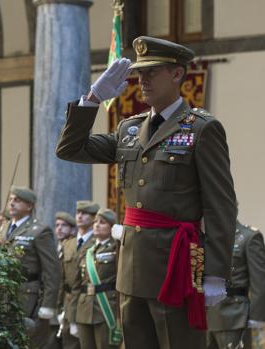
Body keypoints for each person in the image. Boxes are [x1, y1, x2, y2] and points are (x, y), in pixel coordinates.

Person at [56, 36, 237, 349]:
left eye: (152, 71)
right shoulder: (129, 128)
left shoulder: (200, 129)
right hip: (131, 268)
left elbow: (221, 205)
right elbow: (71, 149)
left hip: (176, 266)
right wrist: (93, 99)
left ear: (177, 74)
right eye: (140, 73)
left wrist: (216, 273)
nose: (142, 79)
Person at [0, 186, 61, 348]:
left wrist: (48, 304)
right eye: (11, 199)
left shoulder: (40, 231)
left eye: (17, 200)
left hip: (28, 296)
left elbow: (52, 270)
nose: (11, 203)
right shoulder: (3, 229)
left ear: (29, 206)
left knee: (27, 342)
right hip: (5, 294)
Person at [206, 221, 265, 349]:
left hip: (234, 315)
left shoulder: (249, 237)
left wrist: (256, 320)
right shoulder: (206, 236)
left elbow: (259, 283)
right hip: (207, 316)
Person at [76, 209, 121, 349]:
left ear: (112, 227)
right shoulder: (87, 250)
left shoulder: (116, 248)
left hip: (106, 307)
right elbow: (77, 283)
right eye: (95, 221)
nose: (97, 225)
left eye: (102, 222)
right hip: (84, 308)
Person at [60, 201, 100, 349]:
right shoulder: (68, 244)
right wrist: (58, 308)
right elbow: (62, 278)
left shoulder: (97, 243)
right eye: (78, 213)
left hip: (88, 303)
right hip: (68, 303)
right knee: (68, 343)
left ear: (94, 217)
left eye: (85, 213)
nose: (80, 216)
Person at [45, 211, 77, 349]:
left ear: (72, 229)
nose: (59, 228)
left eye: (64, 225)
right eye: (57, 225)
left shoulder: (75, 247)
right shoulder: (55, 248)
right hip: (55, 303)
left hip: (68, 302)